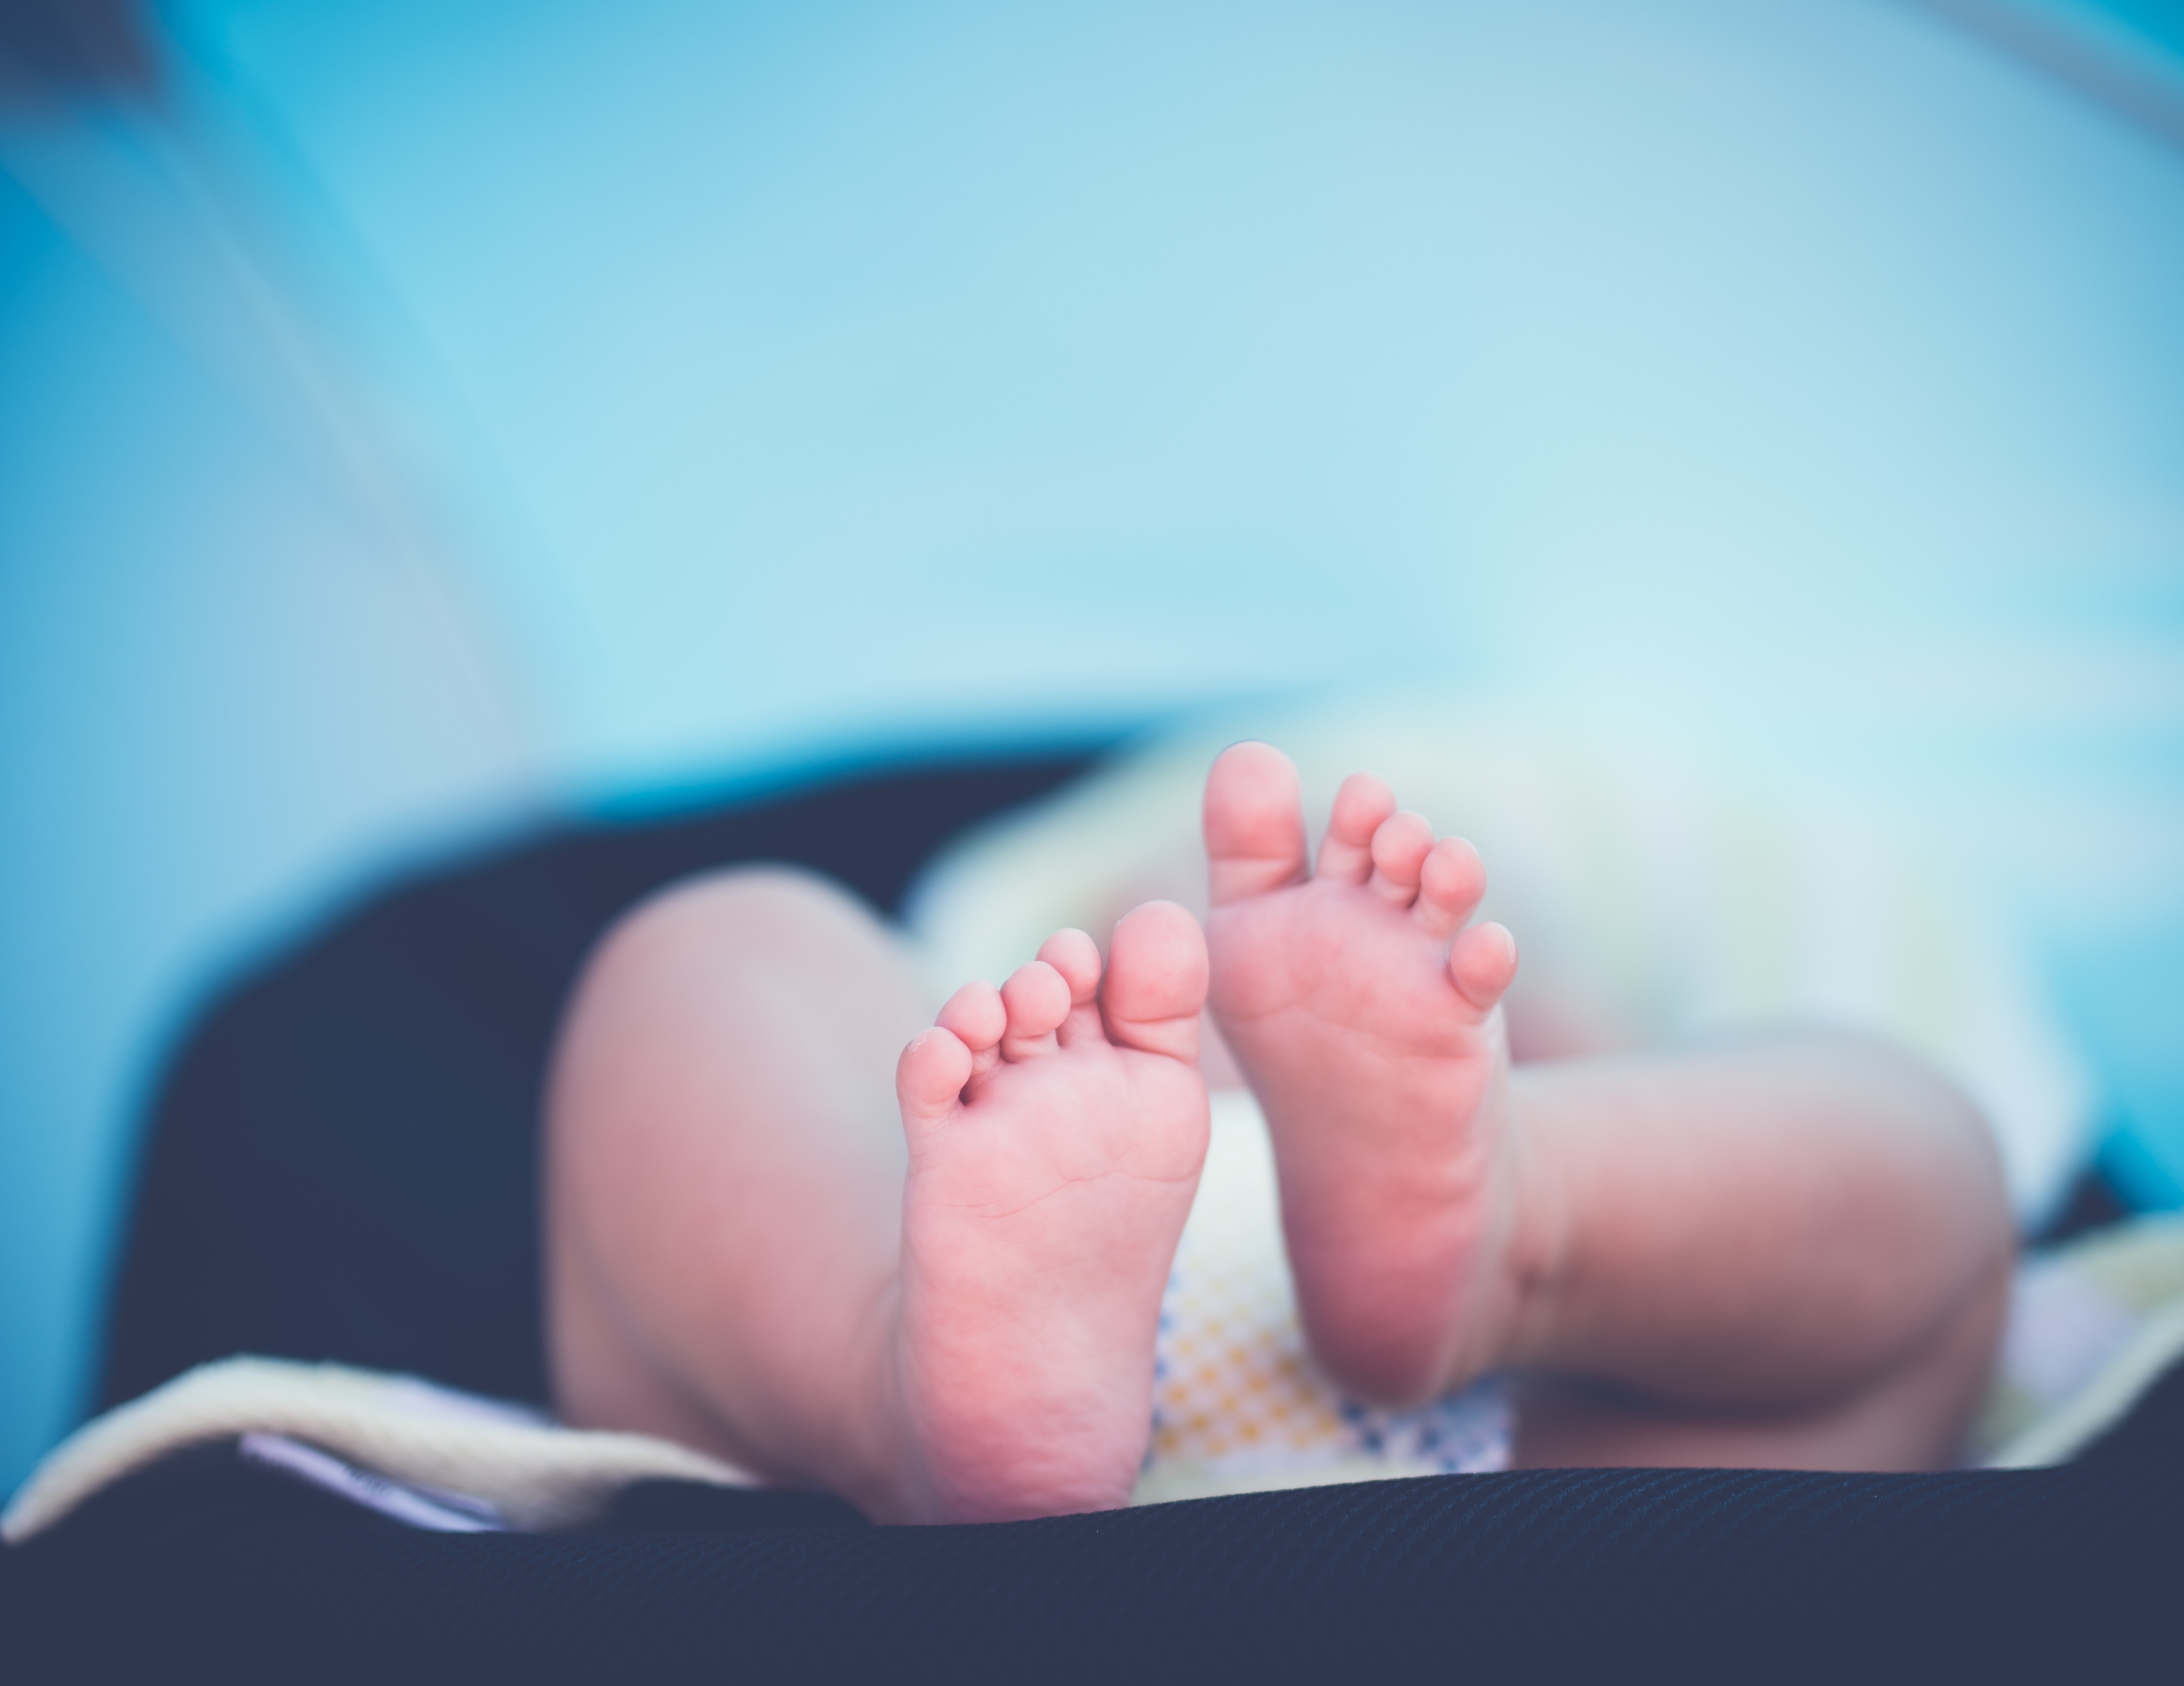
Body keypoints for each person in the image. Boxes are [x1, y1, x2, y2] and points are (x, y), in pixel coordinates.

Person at [542, 741, 2013, 1524]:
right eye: (1190, 915)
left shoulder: (1628, 1044)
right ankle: (897, 1383)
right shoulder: (948, 1055)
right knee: (727, 974)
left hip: (1549, 1423)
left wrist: (1531, 1073)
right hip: (965, 1280)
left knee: (1926, 1173)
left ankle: (1517, 1224)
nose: (1274, 921)